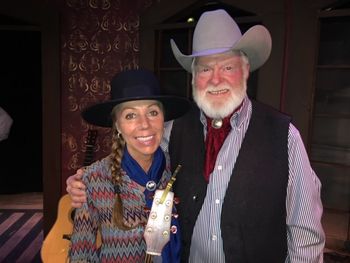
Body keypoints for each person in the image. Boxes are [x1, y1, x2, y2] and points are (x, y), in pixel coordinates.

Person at [67, 9, 325, 262]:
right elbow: (136, 157)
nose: (215, 79)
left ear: (245, 70)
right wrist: (83, 183)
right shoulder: (173, 130)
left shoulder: (284, 137)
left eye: (227, 67)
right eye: (204, 70)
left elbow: (305, 235)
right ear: (194, 78)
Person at [68, 69, 190, 262]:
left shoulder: (180, 169)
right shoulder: (93, 179)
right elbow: (80, 255)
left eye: (152, 112)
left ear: (163, 118)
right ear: (117, 125)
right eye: (131, 116)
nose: (144, 124)